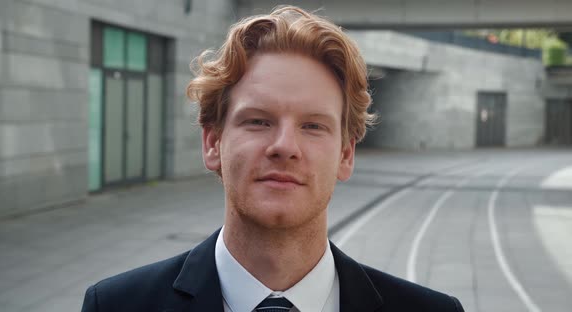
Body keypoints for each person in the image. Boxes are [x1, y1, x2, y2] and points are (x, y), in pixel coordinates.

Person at [81, 6, 464, 312]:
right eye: (259, 121)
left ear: (346, 155)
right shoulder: (116, 305)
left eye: (313, 126)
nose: (284, 145)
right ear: (213, 143)